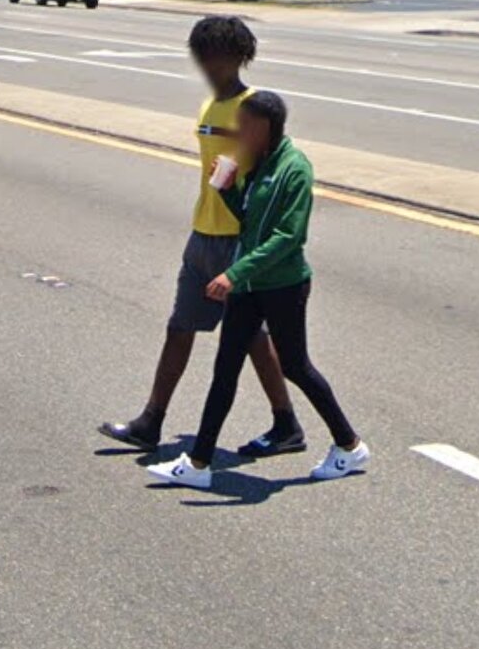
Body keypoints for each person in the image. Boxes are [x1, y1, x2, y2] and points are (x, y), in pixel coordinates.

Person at [146, 90, 369, 491]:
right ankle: (198, 463)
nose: (238, 131)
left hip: (283, 285)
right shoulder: (257, 164)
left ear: (265, 127)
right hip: (249, 285)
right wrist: (228, 188)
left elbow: (288, 235)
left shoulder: (294, 169)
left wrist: (234, 273)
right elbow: (251, 222)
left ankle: (349, 446)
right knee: (225, 369)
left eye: (244, 124)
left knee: (295, 365)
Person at [100, 15, 300, 458]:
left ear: (238, 57)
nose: (207, 64)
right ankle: (150, 421)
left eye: (215, 55)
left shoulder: (256, 107)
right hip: (203, 232)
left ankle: (286, 422)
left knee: (251, 337)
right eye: (201, 55)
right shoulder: (208, 108)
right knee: (180, 326)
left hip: (237, 239)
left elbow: (270, 171)